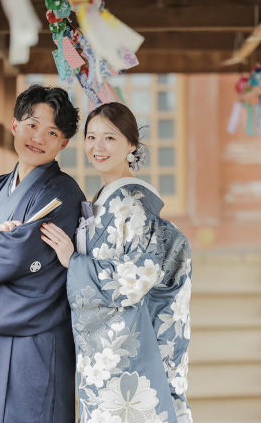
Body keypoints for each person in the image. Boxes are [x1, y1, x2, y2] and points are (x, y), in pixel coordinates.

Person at [40, 102, 193, 423]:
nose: (98, 147)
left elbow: (138, 276)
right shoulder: (108, 199)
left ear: (131, 145)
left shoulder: (131, 206)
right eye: (91, 137)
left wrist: (74, 262)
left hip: (123, 353)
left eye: (109, 138)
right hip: (107, 350)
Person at [0, 85, 85, 423]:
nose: (38, 137)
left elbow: (20, 255)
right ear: (15, 126)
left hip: (34, 342)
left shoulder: (63, 193)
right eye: (32, 125)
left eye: (52, 132)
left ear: (63, 142)